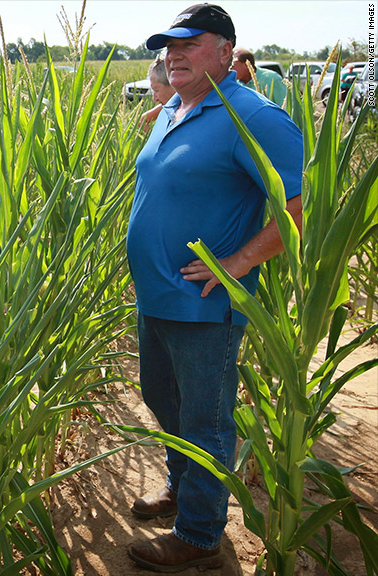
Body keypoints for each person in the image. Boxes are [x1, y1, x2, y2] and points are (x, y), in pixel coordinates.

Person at [126, 4, 303, 572]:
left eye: (189, 44)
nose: (173, 55)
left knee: (205, 420)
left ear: (227, 51)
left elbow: (298, 205)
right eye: (167, 47)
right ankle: (184, 490)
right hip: (155, 296)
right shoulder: (173, 109)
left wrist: (239, 262)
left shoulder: (255, 116)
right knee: (163, 400)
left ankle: (200, 537)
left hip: (204, 303)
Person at [140, 54, 177, 131]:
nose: (155, 99)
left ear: (173, 85)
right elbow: (142, 120)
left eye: (156, 90)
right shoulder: (167, 107)